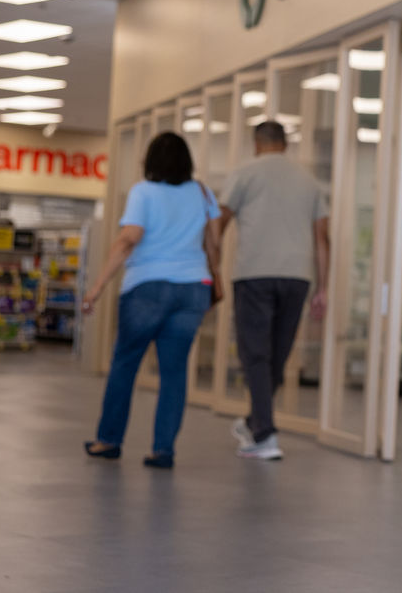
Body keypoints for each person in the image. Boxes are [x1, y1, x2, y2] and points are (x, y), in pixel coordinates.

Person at [82, 132, 222, 468]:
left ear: (150, 162)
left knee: (125, 364)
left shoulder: (143, 192)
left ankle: (109, 440)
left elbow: (130, 238)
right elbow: (214, 238)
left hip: (148, 287)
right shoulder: (202, 192)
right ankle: (163, 450)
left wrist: (97, 287)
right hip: (192, 288)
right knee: (174, 372)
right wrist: (213, 275)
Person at [219, 120, 330, 461]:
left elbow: (218, 222)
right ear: (285, 144)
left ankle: (264, 434)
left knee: (256, 354)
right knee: (277, 356)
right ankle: (255, 421)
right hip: (296, 277)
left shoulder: (244, 172)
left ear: (257, 143)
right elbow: (322, 239)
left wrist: (209, 266)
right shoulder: (309, 181)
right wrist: (322, 287)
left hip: (254, 273)